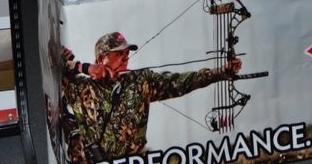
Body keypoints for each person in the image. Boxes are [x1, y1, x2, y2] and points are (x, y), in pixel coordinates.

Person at [59, 32, 242, 162]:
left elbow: (180, 82)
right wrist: (84, 67)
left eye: (127, 53)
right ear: (101, 59)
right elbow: (55, 62)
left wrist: (221, 72)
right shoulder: (81, 87)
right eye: (118, 54)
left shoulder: (140, 82)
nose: (126, 58)